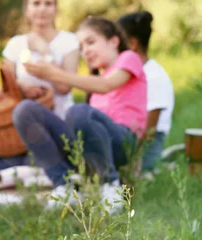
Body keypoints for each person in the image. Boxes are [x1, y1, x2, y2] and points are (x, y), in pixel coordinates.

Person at [17, 17, 147, 214]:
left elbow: (106, 86)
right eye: (81, 46)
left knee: (77, 111)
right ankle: (64, 187)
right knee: (25, 111)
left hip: (124, 144)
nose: (85, 51)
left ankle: (110, 186)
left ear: (113, 41)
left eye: (91, 42)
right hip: (91, 153)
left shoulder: (128, 58)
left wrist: (52, 73)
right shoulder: (95, 82)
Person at [0, 0, 80, 171]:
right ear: (27, 10)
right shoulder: (15, 44)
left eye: (48, 3)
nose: (42, 8)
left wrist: (45, 51)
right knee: (5, 167)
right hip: (22, 126)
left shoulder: (68, 41)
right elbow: (5, 87)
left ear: (56, 9)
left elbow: (64, 87)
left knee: (33, 165)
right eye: (36, 3)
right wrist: (21, 85)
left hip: (59, 121)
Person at [118, 11, 174, 172]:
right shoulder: (124, 72)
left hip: (146, 146)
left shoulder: (154, 76)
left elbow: (149, 131)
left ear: (132, 43)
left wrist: (132, 160)